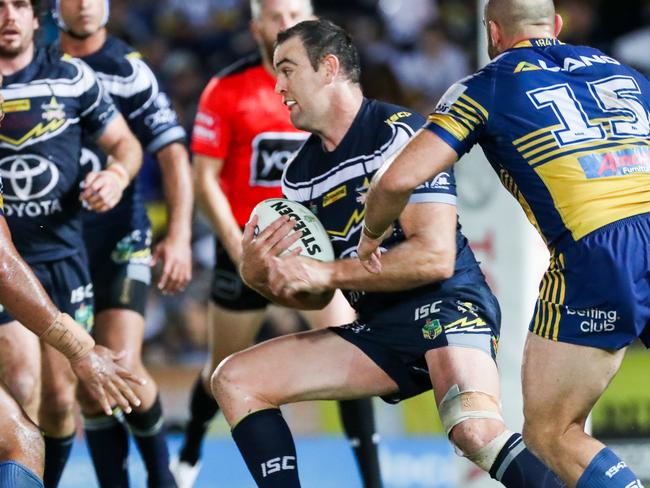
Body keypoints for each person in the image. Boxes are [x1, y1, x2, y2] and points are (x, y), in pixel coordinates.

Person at [213, 19, 564, 488]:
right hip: (378, 330)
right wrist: (263, 276)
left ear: (329, 68)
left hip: (449, 303)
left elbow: (433, 258)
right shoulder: (299, 176)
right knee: (234, 378)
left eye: (288, 69)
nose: (278, 86)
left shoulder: (400, 134)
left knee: (474, 429)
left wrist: (326, 272)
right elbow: (316, 297)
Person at [357, 0, 650, 487]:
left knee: (551, 432)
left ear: (493, 33)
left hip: (599, 249)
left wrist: (369, 239)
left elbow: (395, 181)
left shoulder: (488, 83)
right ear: (555, 26)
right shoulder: (621, 70)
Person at [171, 2, 382, 488]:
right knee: (220, 369)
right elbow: (204, 179)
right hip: (246, 249)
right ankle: (191, 447)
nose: (284, 21)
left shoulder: (330, 89)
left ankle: (374, 481)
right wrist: (237, 247)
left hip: (313, 253)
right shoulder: (225, 89)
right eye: (273, 14)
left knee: (352, 353)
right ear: (255, 27)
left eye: (294, 10)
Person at [0, 0, 144, 486]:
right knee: (22, 384)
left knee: (61, 402)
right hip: (7, 264)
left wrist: (117, 175)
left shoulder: (72, 77)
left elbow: (126, 143)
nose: (9, 16)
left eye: (18, 5)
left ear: (36, 16)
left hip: (62, 259)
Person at [54, 0, 193, 486]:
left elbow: (174, 154)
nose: (84, 4)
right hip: (57, 244)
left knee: (122, 365)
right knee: (86, 383)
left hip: (120, 236)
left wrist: (177, 236)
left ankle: (162, 478)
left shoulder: (128, 71)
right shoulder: (35, 68)